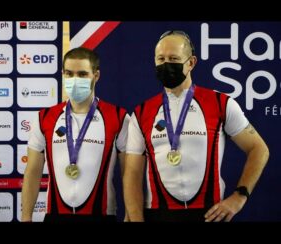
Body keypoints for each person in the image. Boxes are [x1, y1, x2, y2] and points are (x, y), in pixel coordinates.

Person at [123, 30, 269, 222]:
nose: (166, 64)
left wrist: (240, 196)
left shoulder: (220, 103)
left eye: (174, 58)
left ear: (191, 62)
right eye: (161, 58)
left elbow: (259, 148)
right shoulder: (141, 113)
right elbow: (132, 172)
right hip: (158, 213)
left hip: (210, 214)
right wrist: (135, 218)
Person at [22, 47, 129, 222]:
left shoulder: (119, 117)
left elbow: (129, 173)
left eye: (82, 74)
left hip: (102, 215)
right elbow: (33, 171)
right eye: (69, 73)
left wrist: (130, 214)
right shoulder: (44, 117)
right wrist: (26, 217)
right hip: (55, 215)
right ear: (63, 74)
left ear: (96, 76)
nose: (75, 80)